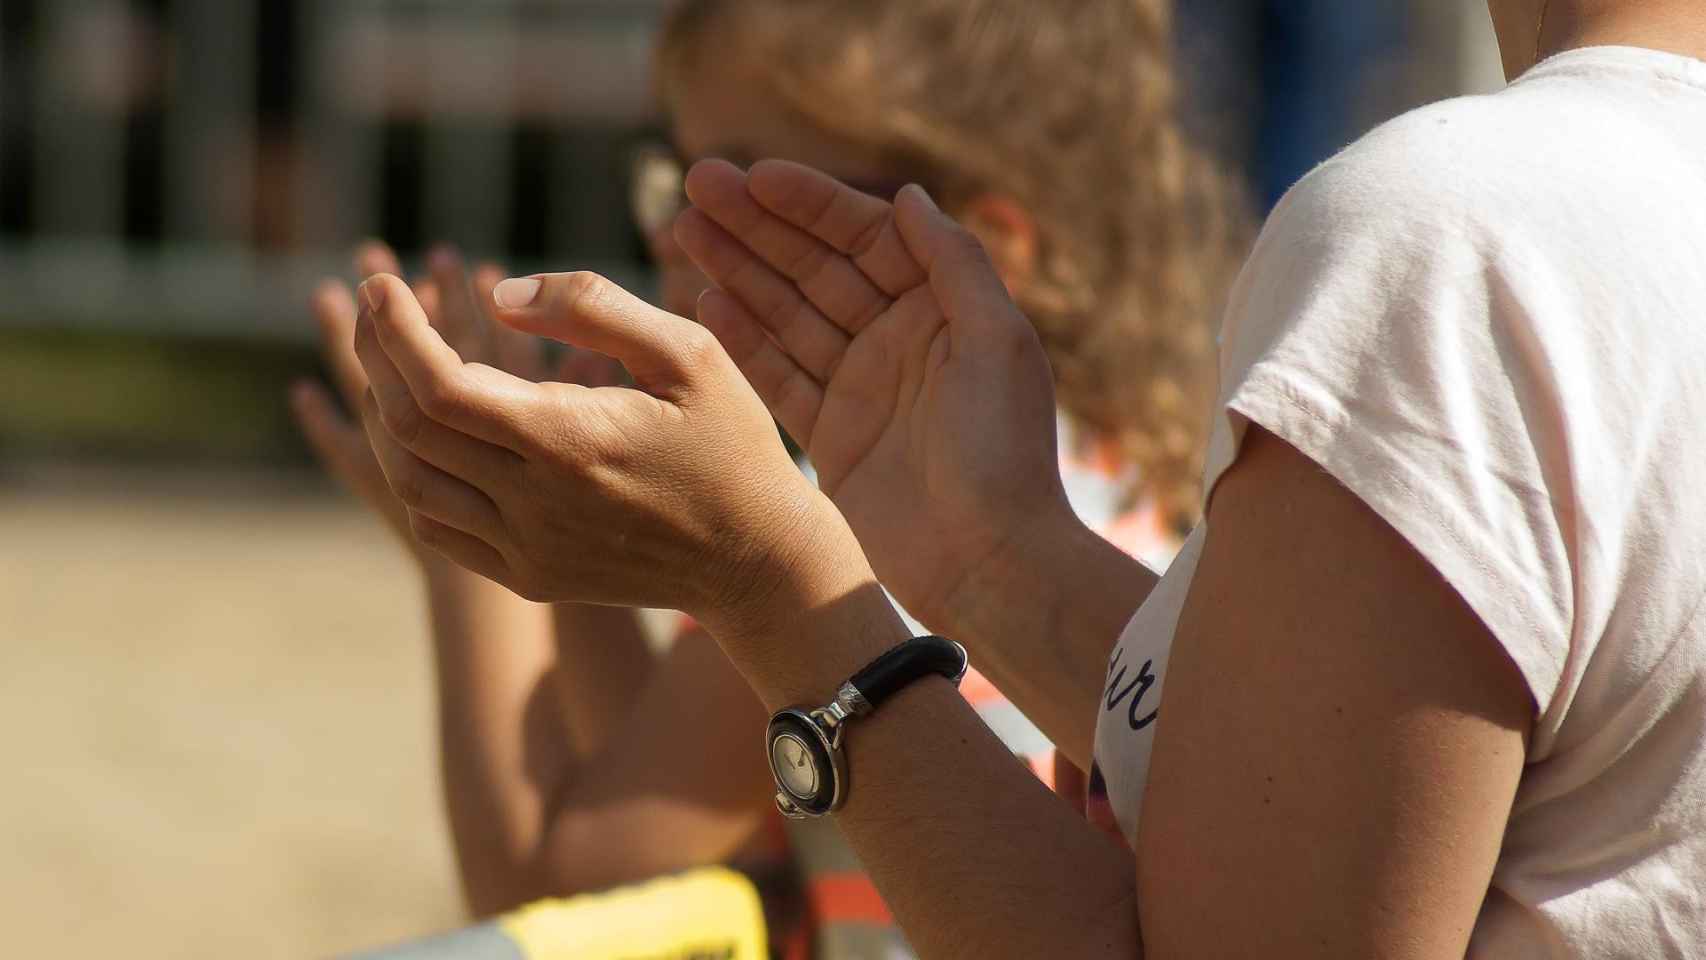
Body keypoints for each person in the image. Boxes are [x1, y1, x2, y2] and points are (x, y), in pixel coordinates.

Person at [345, 0, 1706, 955]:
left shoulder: (1460, 238)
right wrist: (983, 557)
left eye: (754, 184)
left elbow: (566, 871)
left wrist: (712, 575)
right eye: (677, 182)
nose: (690, 239)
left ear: (973, 230)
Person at [291, 0, 1242, 952]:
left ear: (976, 249)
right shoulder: (1117, 472)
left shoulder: (861, 527)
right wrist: (542, 537)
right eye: (674, 176)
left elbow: (549, 887)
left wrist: (457, 532)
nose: (672, 231)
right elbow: (657, 787)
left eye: (738, 188)